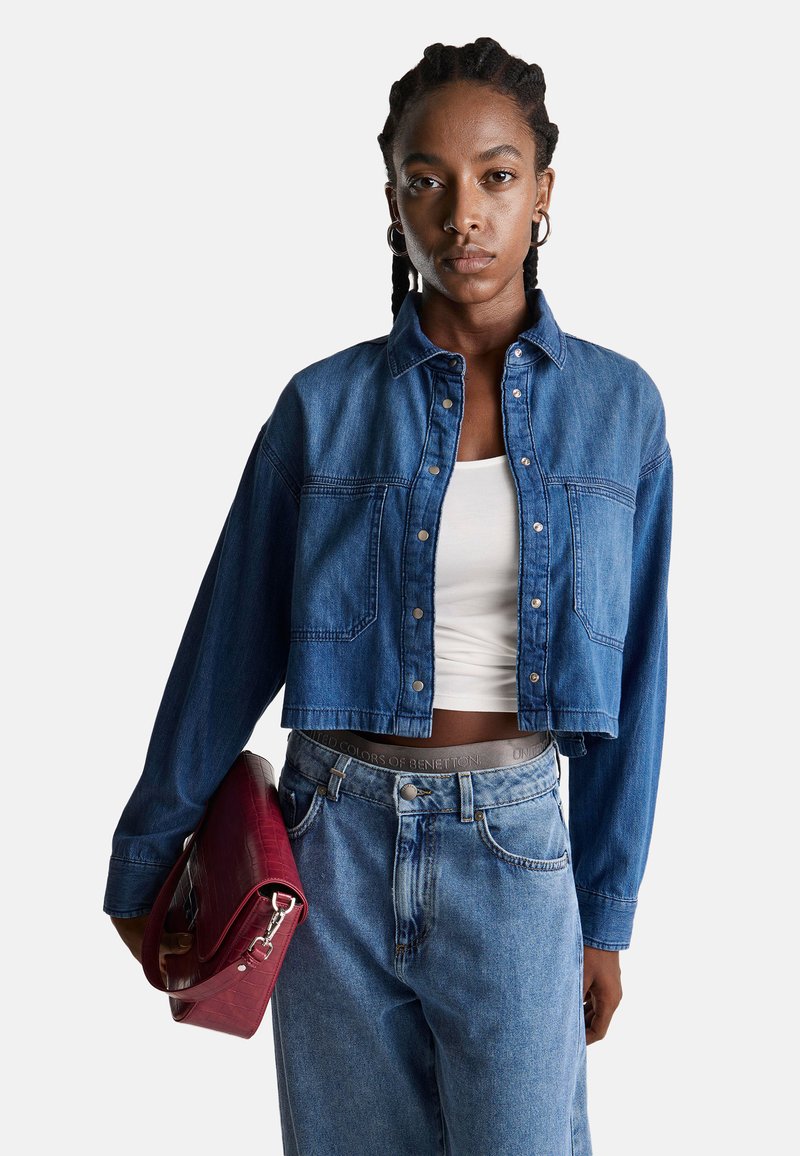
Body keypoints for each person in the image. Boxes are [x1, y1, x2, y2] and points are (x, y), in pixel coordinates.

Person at [105, 37, 673, 1156]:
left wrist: (605, 911)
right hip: (330, 848)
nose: (463, 214)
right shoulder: (320, 408)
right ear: (392, 204)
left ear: (543, 193)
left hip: (515, 852)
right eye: (427, 180)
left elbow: (636, 678)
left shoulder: (621, 411)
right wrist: (146, 857)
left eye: (496, 176)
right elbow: (225, 647)